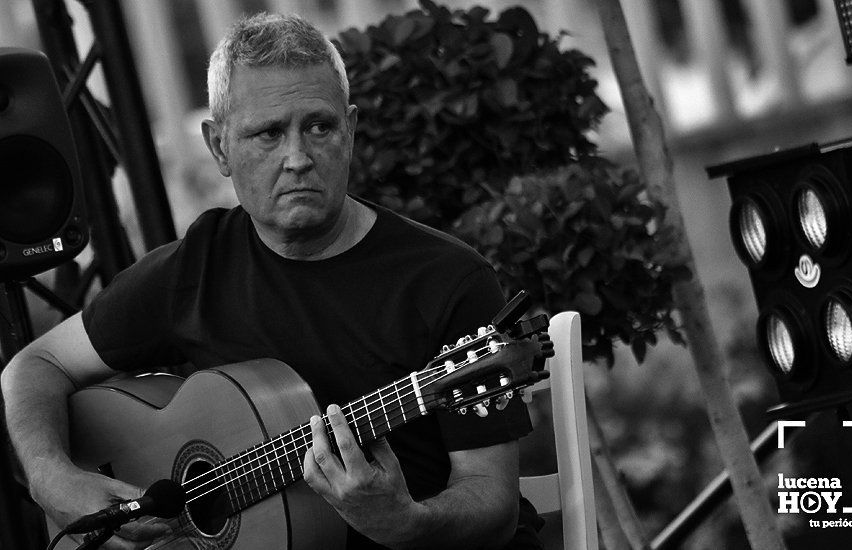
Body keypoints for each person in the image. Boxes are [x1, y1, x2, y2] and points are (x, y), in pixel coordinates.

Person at [1, 12, 543, 550]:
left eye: (320, 126)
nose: (299, 158)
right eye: (268, 133)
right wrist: (53, 478)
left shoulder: (445, 279)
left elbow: (492, 506)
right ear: (219, 148)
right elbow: (35, 365)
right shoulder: (198, 264)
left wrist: (407, 523)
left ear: (350, 132)